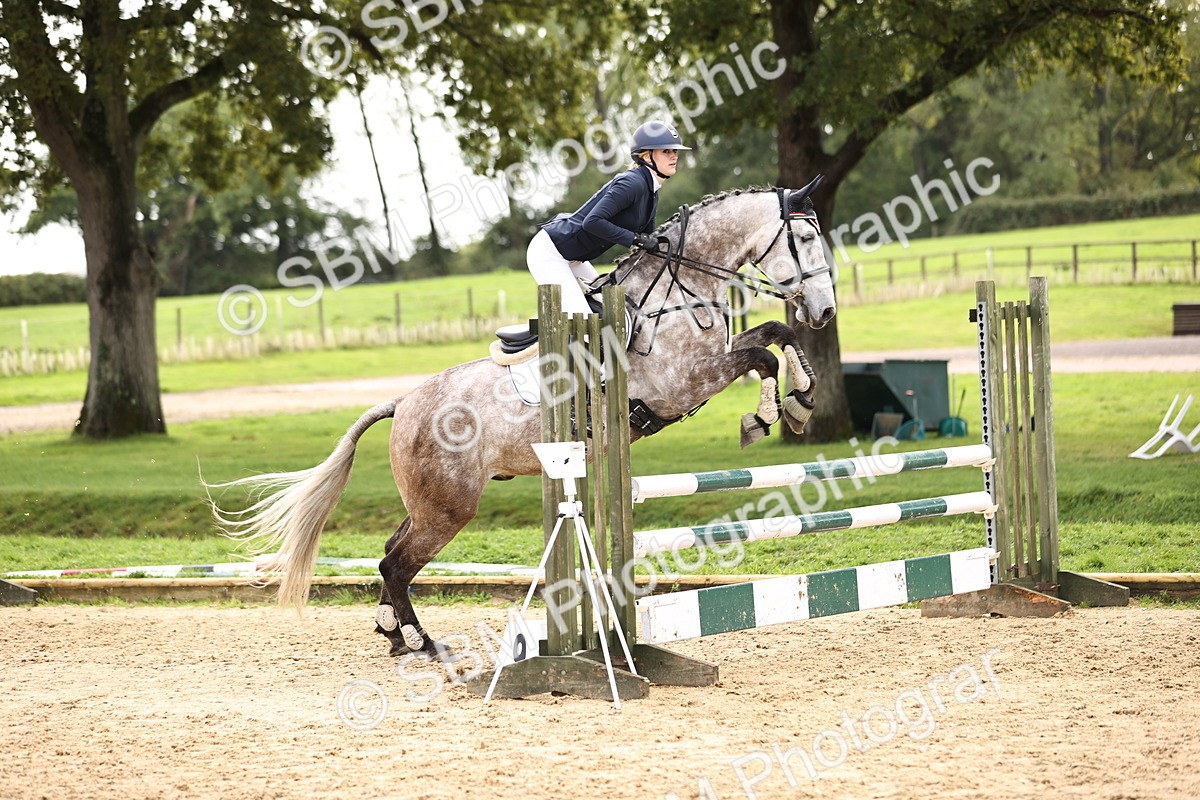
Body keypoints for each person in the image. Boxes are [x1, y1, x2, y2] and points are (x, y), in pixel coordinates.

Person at [527, 120, 690, 314]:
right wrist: (635, 239)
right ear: (647, 156)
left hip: (575, 258)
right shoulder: (632, 183)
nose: (674, 156)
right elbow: (592, 222)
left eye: (675, 151)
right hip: (550, 253)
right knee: (584, 317)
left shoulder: (651, 190)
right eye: (666, 151)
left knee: (611, 311)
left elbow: (649, 238)